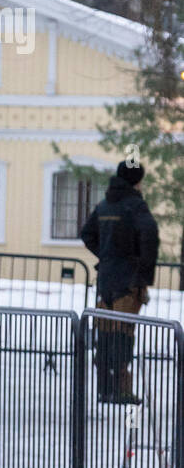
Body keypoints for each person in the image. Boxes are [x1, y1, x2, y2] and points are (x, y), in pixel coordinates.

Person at [80, 159, 159, 404]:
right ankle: (122, 390)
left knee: (104, 334)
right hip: (128, 282)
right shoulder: (135, 206)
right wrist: (143, 272)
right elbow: (150, 237)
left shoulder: (105, 204)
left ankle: (105, 388)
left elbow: (86, 234)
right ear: (137, 180)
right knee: (123, 333)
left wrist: (106, 255)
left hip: (105, 281)